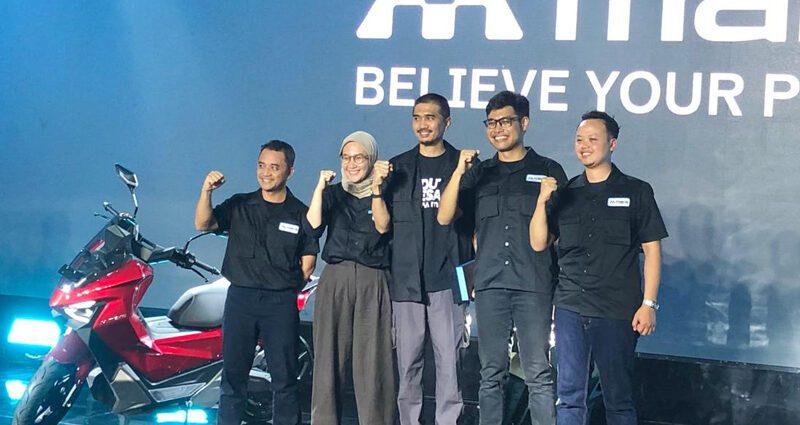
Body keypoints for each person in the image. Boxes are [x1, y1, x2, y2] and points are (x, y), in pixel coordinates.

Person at [529, 111, 668, 425]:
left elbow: (652, 250)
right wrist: (541, 202)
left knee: (617, 399)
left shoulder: (636, 191)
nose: (584, 146)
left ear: (612, 144)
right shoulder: (566, 193)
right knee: (568, 397)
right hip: (569, 308)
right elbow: (538, 243)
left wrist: (649, 304)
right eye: (579, 139)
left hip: (615, 310)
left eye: (593, 139)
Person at [438, 91, 566, 425]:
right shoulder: (479, 173)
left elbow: (555, 234)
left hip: (533, 285)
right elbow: (445, 216)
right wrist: (458, 172)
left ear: (524, 123)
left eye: (506, 121)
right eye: (491, 123)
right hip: (490, 284)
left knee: (538, 373)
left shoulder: (548, 170)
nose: (498, 129)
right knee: (491, 373)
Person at [194, 140, 318, 425]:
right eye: (262, 166)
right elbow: (203, 223)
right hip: (241, 300)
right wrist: (207, 191)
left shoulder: (300, 212)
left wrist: (284, 290)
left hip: (280, 304)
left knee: (284, 379)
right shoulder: (240, 204)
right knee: (233, 377)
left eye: (274, 167)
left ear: (290, 171)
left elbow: (308, 263)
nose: (266, 173)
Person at [371, 93, 474, 425]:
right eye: (417, 117)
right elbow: (382, 225)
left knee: (449, 364)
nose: (422, 124)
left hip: (449, 280)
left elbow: (469, 224)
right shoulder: (398, 167)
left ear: (447, 122)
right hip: (407, 282)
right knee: (408, 364)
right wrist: (376, 188)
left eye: (430, 117)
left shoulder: (465, 166)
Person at [307, 130, 396, 425]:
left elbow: (383, 227)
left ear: (371, 159)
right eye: (346, 158)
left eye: (359, 158)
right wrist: (319, 188)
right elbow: (313, 227)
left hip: (374, 279)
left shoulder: (386, 191)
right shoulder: (334, 194)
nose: (351, 164)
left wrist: (378, 189)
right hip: (336, 278)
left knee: (373, 362)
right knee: (328, 360)